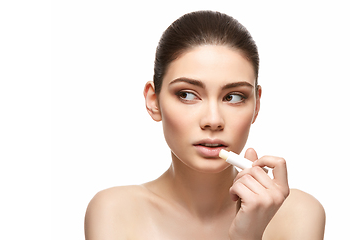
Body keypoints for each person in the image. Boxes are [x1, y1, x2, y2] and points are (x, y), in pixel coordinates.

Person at [84, 10, 325, 239]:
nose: (213, 121)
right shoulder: (114, 211)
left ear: (256, 105)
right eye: (187, 94)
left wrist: (248, 237)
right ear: (153, 101)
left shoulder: (300, 214)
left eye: (233, 97)